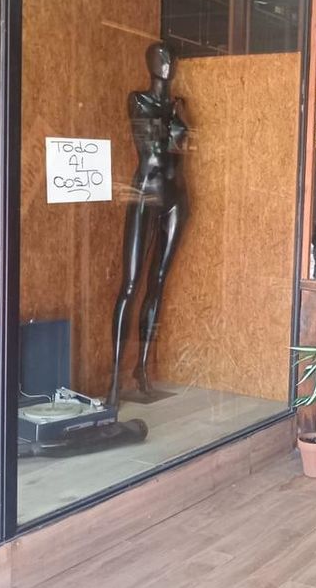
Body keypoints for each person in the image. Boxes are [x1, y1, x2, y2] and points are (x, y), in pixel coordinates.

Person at [109, 42, 189, 407]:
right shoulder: (138, 100)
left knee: (158, 284)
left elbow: (180, 149)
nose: (168, 63)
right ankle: (114, 378)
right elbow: (153, 145)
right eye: (161, 57)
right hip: (144, 193)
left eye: (171, 58)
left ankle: (141, 370)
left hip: (175, 197)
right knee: (130, 284)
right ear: (150, 62)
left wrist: (178, 119)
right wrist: (176, 122)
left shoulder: (178, 106)